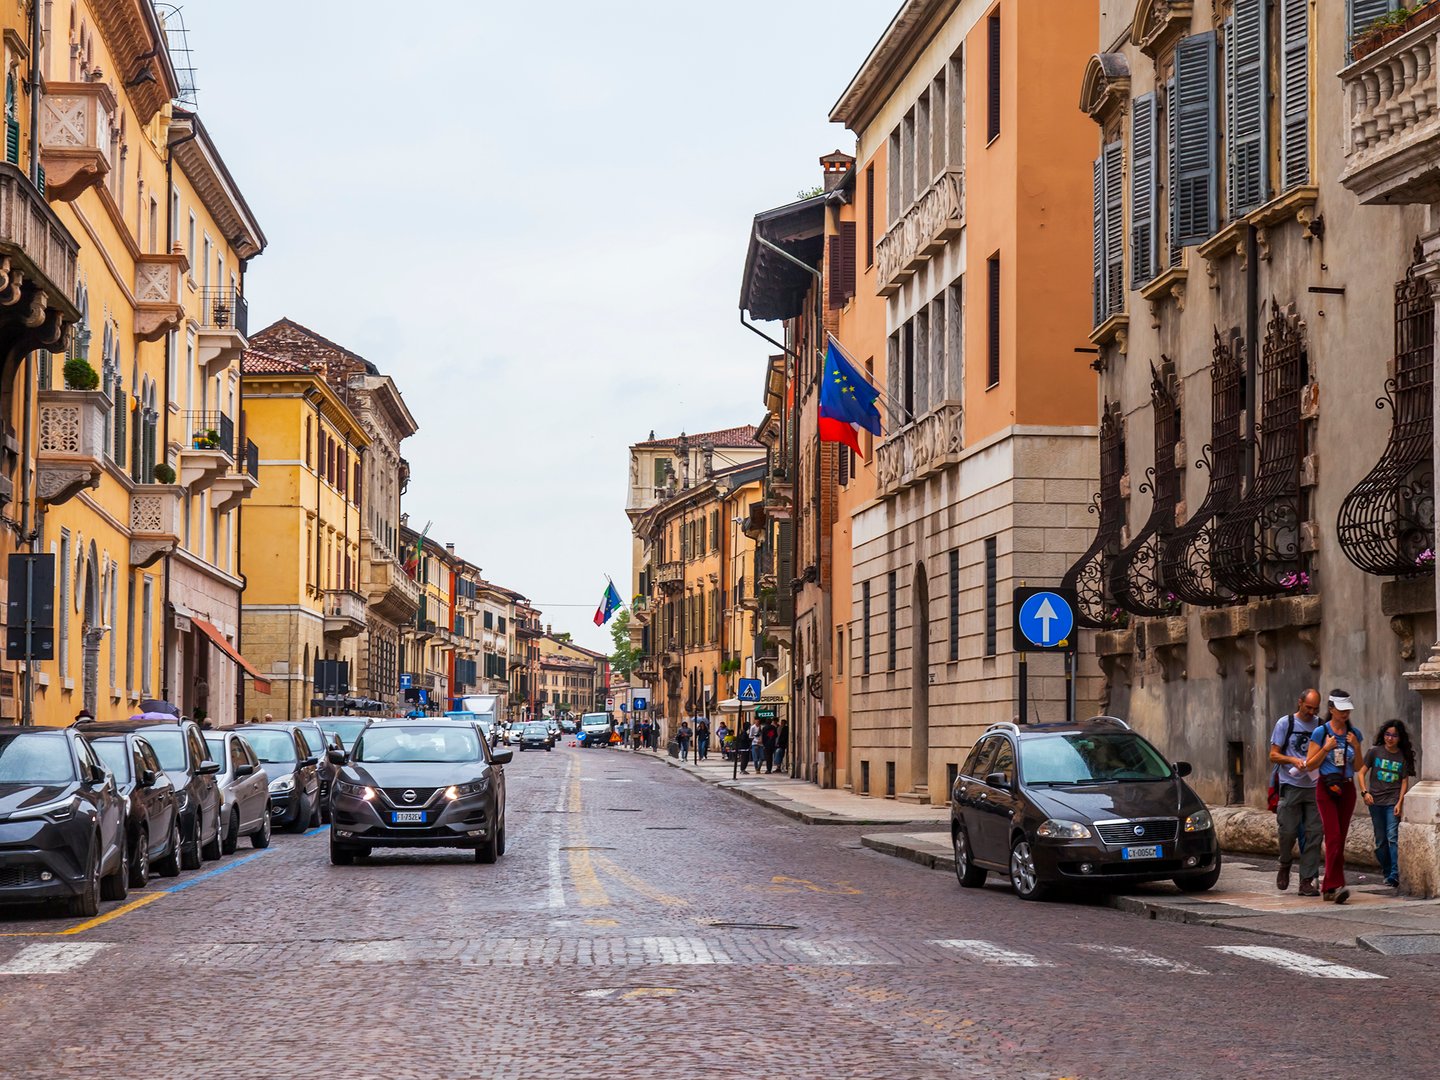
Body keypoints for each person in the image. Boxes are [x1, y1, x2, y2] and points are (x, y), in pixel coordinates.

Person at [1303, 688, 1365, 904]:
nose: (1345, 714)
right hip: (1327, 788)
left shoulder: (1354, 733)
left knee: (1340, 840)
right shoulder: (1321, 733)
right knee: (1334, 837)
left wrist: (1356, 747)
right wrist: (1326, 748)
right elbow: (1309, 764)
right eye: (1340, 710)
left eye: (1347, 710)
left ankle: (1329, 887)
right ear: (1331, 709)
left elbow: (1358, 767)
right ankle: (1334, 885)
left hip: (1346, 788)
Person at [1269, 689, 1323, 896]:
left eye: (1315, 708)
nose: (1311, 712)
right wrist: (1293, 760)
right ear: (1299, 703)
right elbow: (1273, 755)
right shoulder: (1286, 723)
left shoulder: (1320, 725)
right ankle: (1285, 863)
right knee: (1288, 831)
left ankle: (1306, 880)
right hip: (1290, 784)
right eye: (1308, 707)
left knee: (1314, 834)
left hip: (1314, 786)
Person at [1359, 719, 1415, 890]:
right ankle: (1387, 870)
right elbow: (1361, 773)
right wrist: (1364, 792)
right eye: (1387, 734)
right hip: (1375, 802)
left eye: (1394, 735)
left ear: (1400, 738)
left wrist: (1400, 802)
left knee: (1392, 837)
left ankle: (1394, 874)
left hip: (1392, 802)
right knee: (1380, 841)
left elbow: (1404, 781)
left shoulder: (1402, 756)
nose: (1390, 738)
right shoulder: (1374, 752)